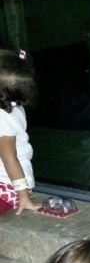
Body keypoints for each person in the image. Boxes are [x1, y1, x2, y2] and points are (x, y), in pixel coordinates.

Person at [0, 48, 41, 214]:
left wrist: (23, 196)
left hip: (7, 186)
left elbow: (9, 157)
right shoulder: (12, 106)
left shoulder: (3, 117)